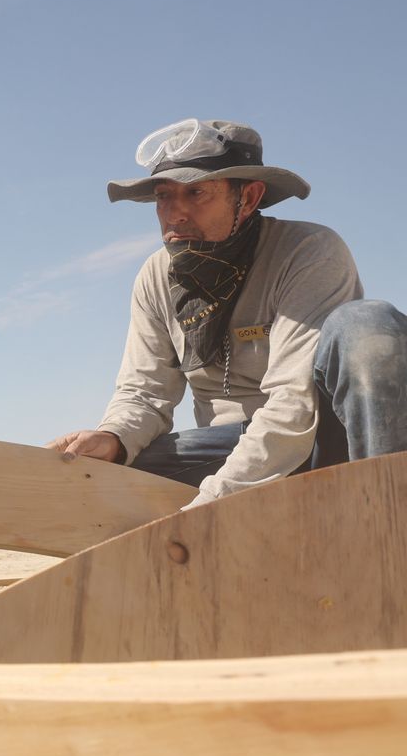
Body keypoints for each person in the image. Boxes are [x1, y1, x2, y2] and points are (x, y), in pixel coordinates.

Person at [48, 118, 407, 504]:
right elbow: (144, 393)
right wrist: (114, 439)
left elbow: (293, 404)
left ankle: (386, 515)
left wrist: (212, 505)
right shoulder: (155, 276)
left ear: (249, 198)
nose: (176, 213)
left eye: (197, 192)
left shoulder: (308, 251)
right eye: (164, 196)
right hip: (231, 448)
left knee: (366, 326)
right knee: (106, 481)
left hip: (322, 440)